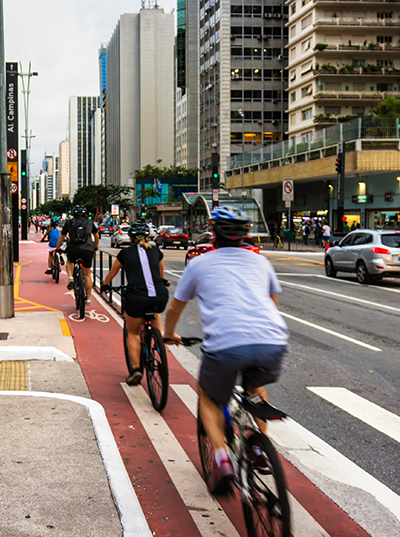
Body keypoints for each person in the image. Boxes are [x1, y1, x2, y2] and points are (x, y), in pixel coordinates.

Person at [162, 205, 288, 495]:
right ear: (246, 234)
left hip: (226, 347)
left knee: (208, 397)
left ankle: (220, 459)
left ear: (213, 234)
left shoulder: (200, 264)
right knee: (256, 388)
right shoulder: (261, 262)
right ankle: (258, 449)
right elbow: (273, 305)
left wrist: (169, 334)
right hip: (272, 343)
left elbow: (176, 307)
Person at [100, 221, 169, 385]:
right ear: (148, 236)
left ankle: (137, 369)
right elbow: (160, 274)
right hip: (159, 295)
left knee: (133, 332)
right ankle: (158, 343)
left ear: (130, 239)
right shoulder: (156, 251)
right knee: (156, 311)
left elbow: (112, 272)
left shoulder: (125, 253)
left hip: (136, 297)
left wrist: (105, 285)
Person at [59, 204, 100, 305]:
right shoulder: (90, 223)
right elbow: (97, 236)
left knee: (69, 261)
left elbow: (62, 236)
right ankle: (89, 298)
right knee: (87, 274)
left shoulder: (69, 223)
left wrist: (57, 248)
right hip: (87, 249)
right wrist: (95, 247)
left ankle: (70, 277)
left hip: (73, 248)